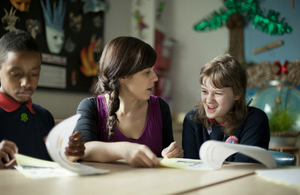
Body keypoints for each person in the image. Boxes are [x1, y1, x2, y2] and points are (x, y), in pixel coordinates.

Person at [74, 36, 183, 167]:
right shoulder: (90, 107)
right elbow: (83, 150)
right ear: (122, 77)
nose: (155, 78)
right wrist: (124, 149)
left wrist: (173, 153)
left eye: (153, 70)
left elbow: (167, 155)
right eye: (147, 72)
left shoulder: (161, 107)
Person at [0, 30, 85, 169]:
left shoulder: (44, 117)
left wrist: (68, 157)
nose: (26, 83)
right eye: (16, 74)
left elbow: (52, 164)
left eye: (34, 74)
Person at [182, 54, 270, 163]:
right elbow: (191, 169)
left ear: (238, 93)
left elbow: (243, 170)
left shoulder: (255, 120)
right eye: (204, 91)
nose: (209, 100)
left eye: (218, 93)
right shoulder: (192, 120)